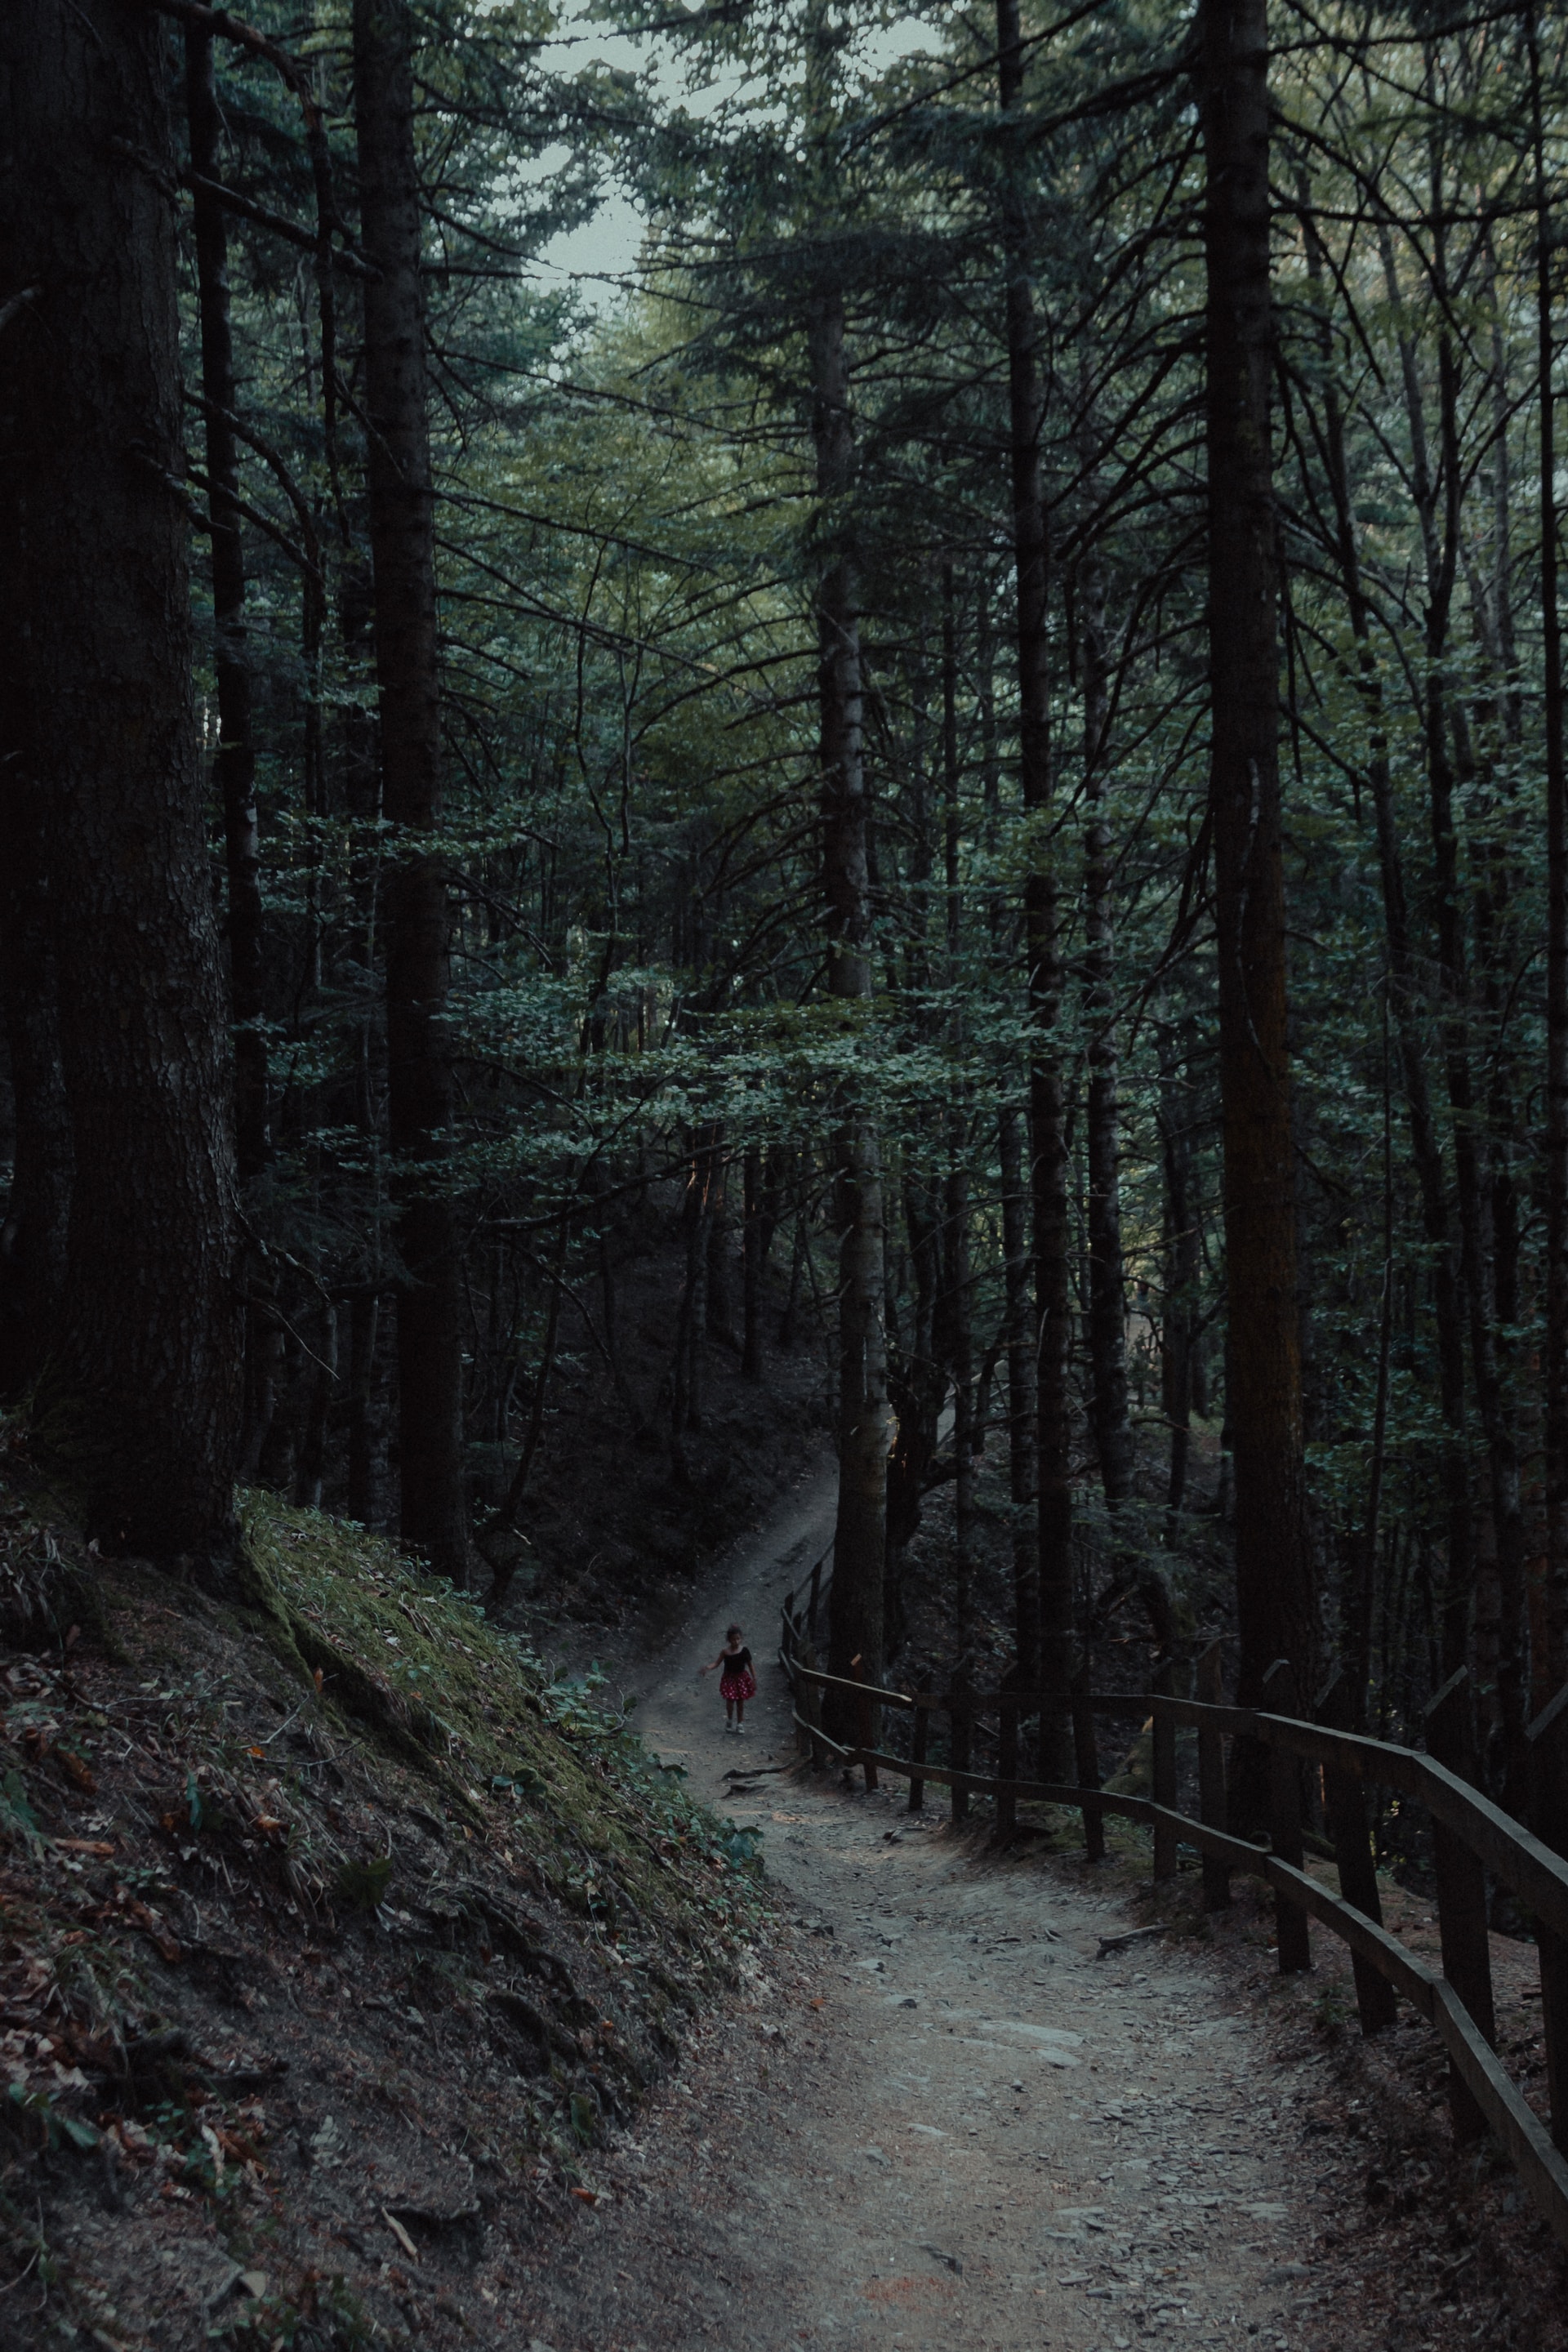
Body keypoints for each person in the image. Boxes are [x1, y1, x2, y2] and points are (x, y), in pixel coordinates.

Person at [701, 1624, 756, 1734]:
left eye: (738, 1639)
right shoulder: (725, 1652)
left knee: (740, 1702)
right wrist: (708, 1667)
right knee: (730, 1702)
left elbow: (750, 1665)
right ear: (729, 1640)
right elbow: (717, 1663)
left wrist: (754, 1678)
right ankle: (730, 1720)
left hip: (741, 1679)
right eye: (733, 1639)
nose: (736, 1641)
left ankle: (740, 1723)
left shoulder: (745, 1651)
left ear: (741, 1638)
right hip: (729, 1679)